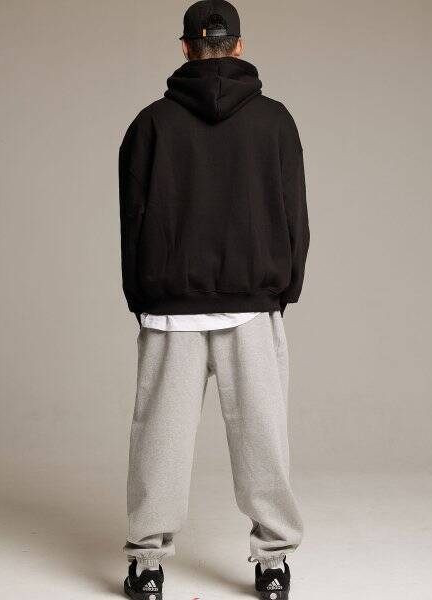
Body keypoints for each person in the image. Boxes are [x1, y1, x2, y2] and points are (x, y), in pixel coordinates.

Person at [118, 1, 309, 598]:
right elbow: (295, 216)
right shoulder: (276, 122)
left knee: (159, 440)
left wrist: (141, 296)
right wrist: (282, 290)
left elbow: (132, 219)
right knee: (263, 439)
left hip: (168, 307)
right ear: (240, 45)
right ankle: (273, 564)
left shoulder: (150, 124)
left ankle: (148, 567)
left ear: (184, 48)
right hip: (252, 304)